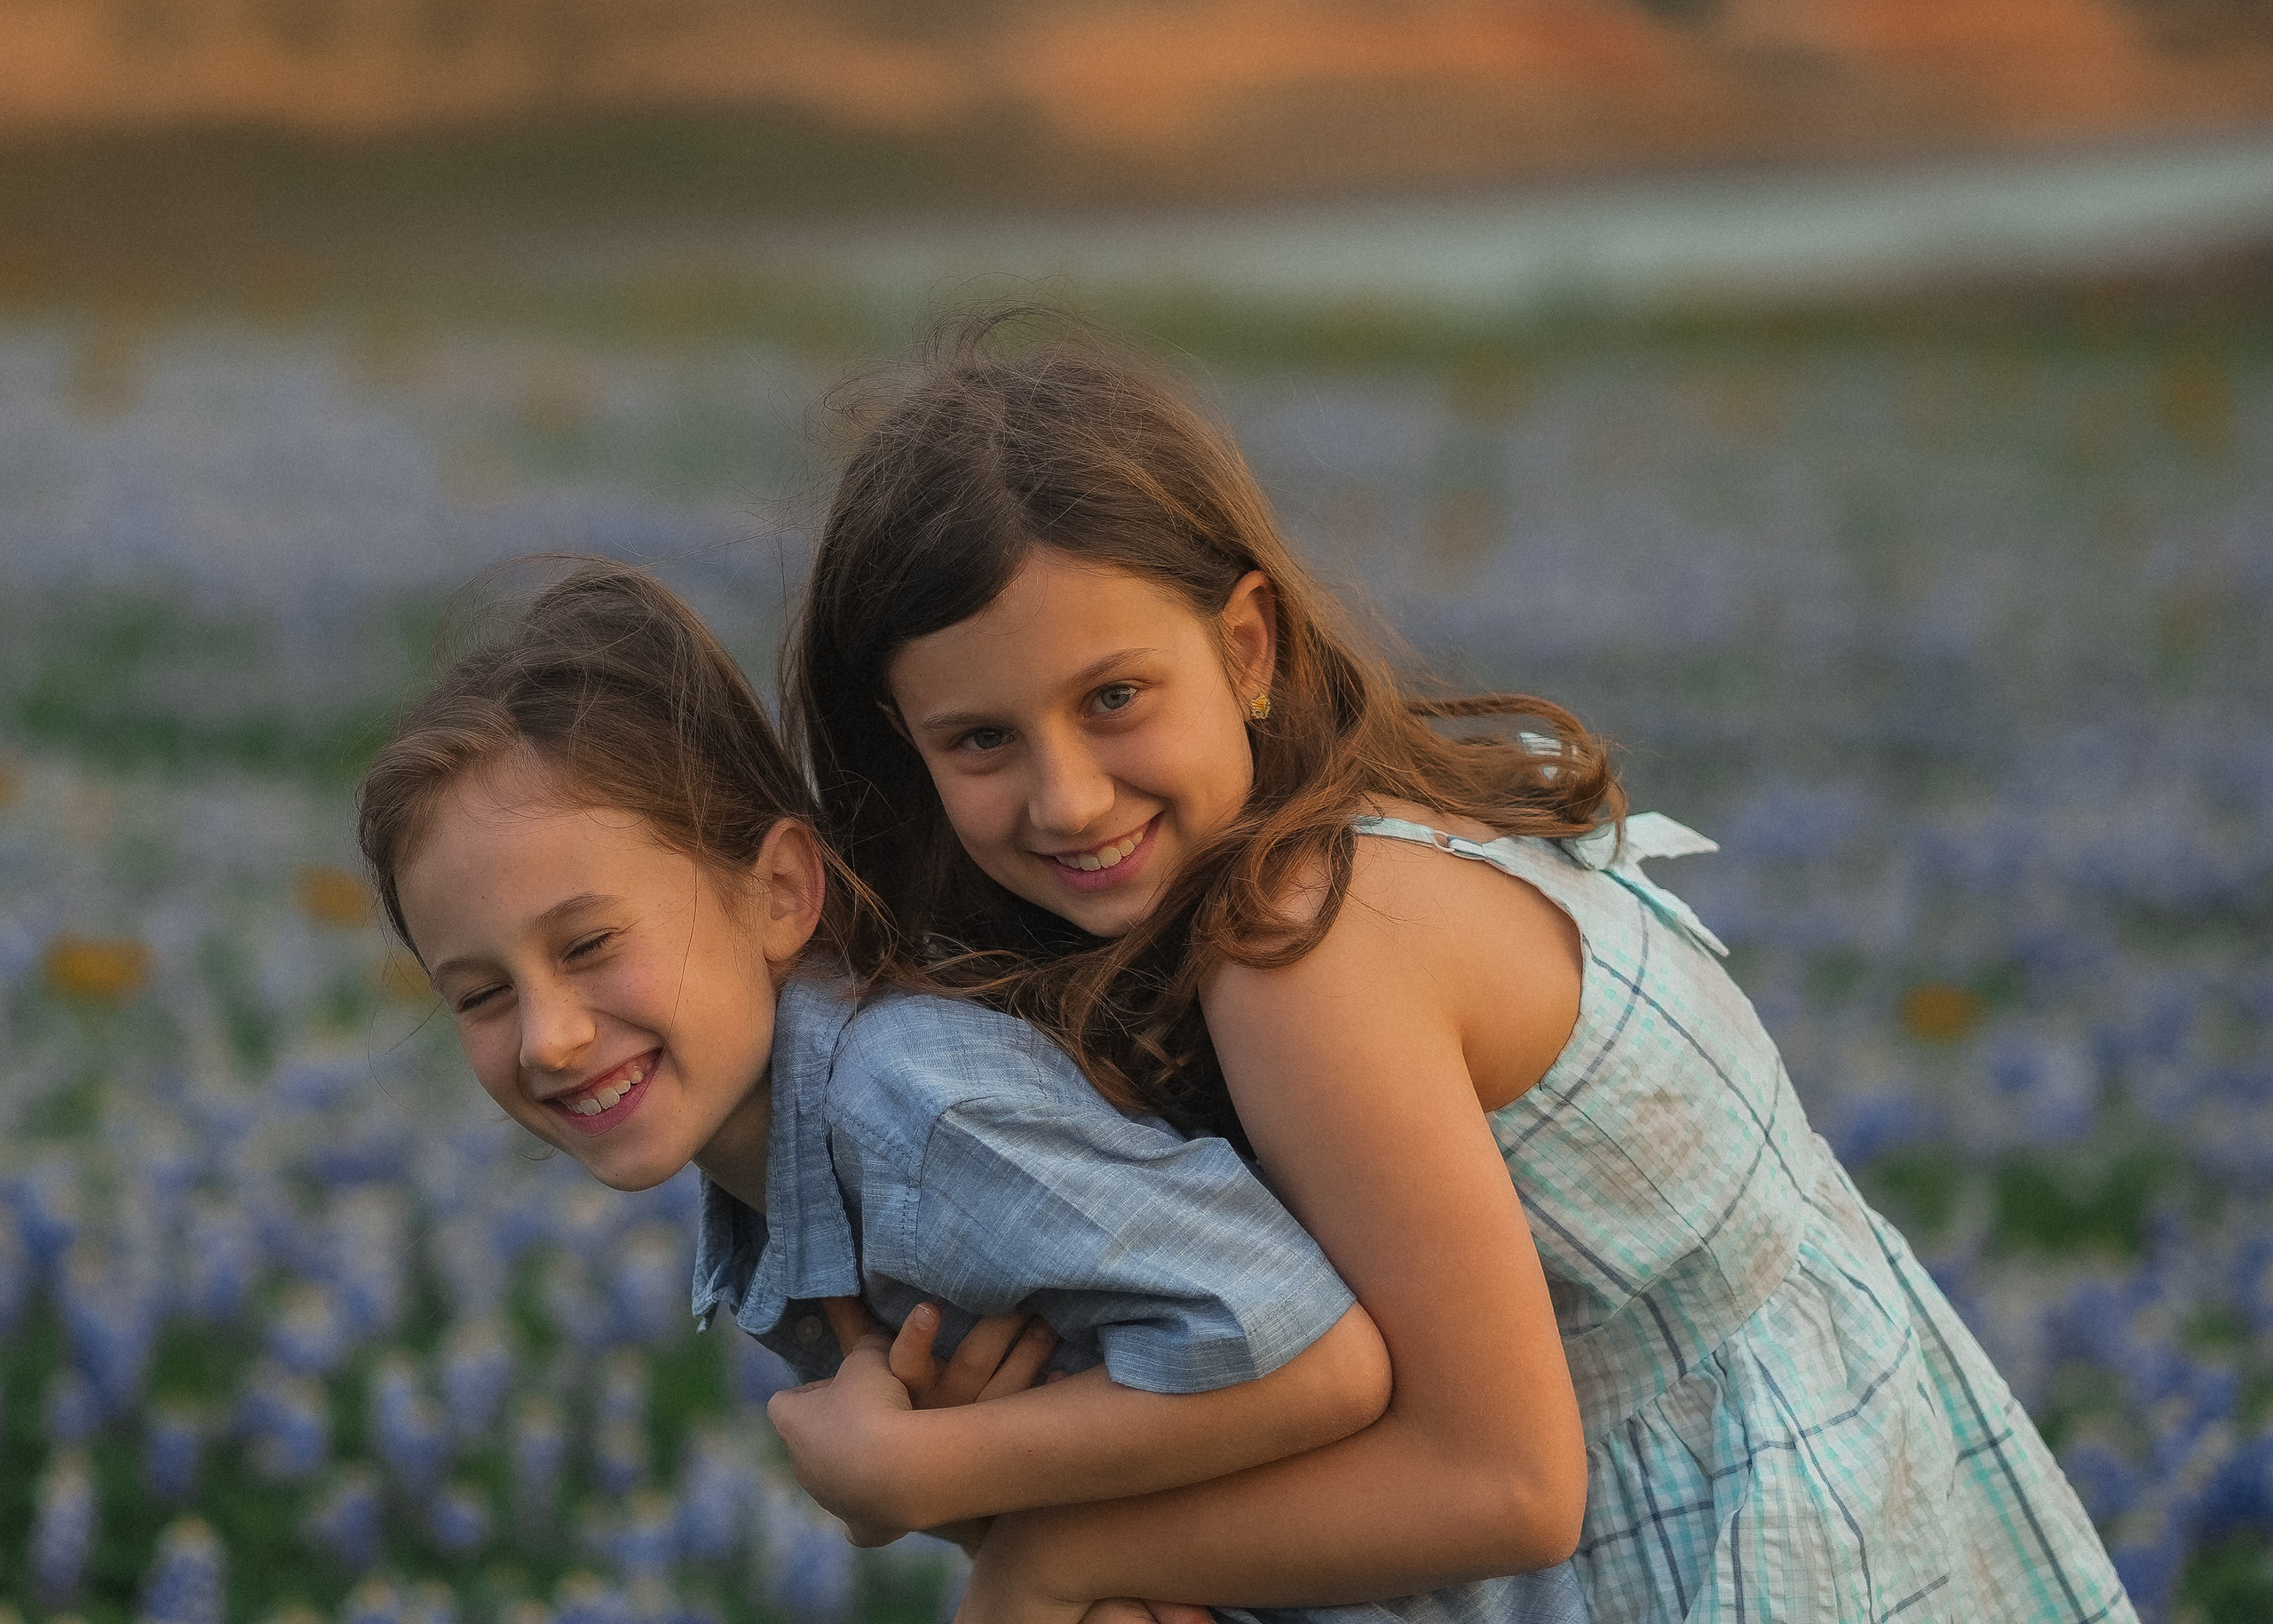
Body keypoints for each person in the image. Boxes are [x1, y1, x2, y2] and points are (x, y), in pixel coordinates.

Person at [778, 313, 2139, 1624]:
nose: (1068, 797)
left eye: (1114, 697)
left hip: (1723, 1550)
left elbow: (1508, 1484)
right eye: (979, 741)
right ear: (908, 743)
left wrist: (1009, 1533)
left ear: (1245, 644)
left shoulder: (1308, 951)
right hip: (1850, 1471)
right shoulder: (1357, 835)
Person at [353, 561, 1585, 1624]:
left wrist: (931, 1479)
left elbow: (1309, 1356)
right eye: (479, 994)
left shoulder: (911, 1108)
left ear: (781, 893)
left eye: (586, 946)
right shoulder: (771, 1145)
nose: (552, 1037)